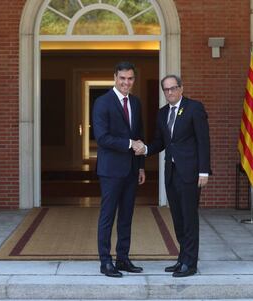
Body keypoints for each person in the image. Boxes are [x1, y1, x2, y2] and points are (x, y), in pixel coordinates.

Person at [134, 74, 211, 277]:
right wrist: (146, 149)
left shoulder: (194, 108)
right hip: (171, 173)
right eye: (166, 89)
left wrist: (204, 171)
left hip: (191, 173)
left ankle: (191, 263)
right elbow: (161, 142)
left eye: (173, 88)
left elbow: (203, 141)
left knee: (189, 218)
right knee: (177, 218)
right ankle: (182, 259)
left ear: (181, 88)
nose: (170, 92)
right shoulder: (162, 114)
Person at [92, 61, 146, 278]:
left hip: (132, 170)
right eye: (122, 78)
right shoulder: (102, 102)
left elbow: (139, 134)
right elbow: (102, 137)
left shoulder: (136, 102)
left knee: (126, 216)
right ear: (115, 77)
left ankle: (122, 258)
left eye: (130, 78)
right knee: (108, 216)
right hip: (111, 170)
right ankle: (105, 262)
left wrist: (141, 166)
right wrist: (129, 144)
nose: (126, 82)